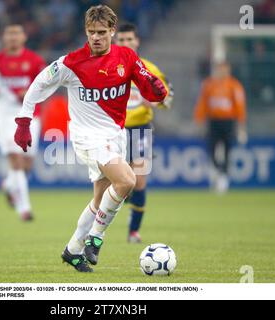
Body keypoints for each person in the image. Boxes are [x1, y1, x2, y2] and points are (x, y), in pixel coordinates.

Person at [14, 5, 168, 272]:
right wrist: (24, 120)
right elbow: (39, 83)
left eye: (101, 32)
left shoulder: (127, 58)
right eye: (91, 32)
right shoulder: (71, 62)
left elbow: (152, 90)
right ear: (86, 31)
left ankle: (73, 250)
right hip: (87, 138)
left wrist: (158, 90)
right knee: (127, 180)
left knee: (100, 199)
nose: (95, 37)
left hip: (114, 135)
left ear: (112, 31)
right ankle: (96, 238)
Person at [0, 22, 46, 221]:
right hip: (4, 114)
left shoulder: (34, 61)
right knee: (15, 159)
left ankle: (9, 184)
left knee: (26, 164)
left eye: (17, 34)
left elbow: (44, 84)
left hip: (29, 113)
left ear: (24, 37)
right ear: (4, 38)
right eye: (9, 34)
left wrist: (31, 91)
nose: (13, 37)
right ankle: (24, 209)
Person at [115, 23, 173, 243]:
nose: (126, 43)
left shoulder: (150, 69)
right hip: (113, 130)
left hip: (140, 130)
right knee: (118, 182)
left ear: (137, 41)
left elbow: (168, 97)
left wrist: (157, 104)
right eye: (121, 40)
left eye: (130, 39)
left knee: (138, 181)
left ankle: (133, 231)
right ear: (115, 42)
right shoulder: (107, 67)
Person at [194, 61, 247, 193]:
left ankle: (223, 176)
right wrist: (199, 120)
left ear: (228, 70)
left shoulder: (234, 85)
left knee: (227, 149)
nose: (221, 72)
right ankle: (218, 171)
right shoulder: (209, 84)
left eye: (224, 69)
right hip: (213, 121)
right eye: (219, 69)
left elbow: (240, 106)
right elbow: (202, 103)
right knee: (211, 148)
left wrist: (241, 126)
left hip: (229, 121)